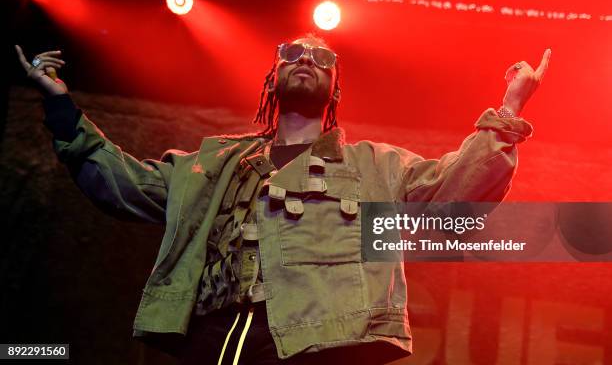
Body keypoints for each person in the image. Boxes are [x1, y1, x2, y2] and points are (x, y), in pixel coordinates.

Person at [15, 34, 550, 364]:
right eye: (292, 53)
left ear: (335, 87)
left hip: (319, 343)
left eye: (322, 56)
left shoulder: (376, 166)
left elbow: (454, 191)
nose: (306, 59)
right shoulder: (214, 164)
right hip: (215, 335)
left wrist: (507, 109)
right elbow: (125, 183)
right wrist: (63, 110)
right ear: (272, 77)